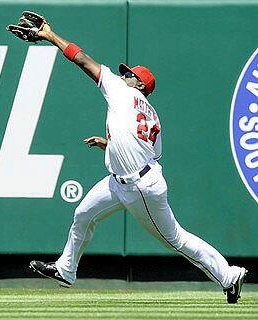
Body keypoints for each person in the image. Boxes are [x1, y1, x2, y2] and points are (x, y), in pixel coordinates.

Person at [24, 16, 248, 304]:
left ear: (140, 84)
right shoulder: (150, 113)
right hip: (122, 180)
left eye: (130, 74)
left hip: (139, 187)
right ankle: (66, 270)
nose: (124, 75)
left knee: (176, 239)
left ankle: (229, 276)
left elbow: (81, 59)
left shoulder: (122, 91)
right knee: (83, 214)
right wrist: (109, 143)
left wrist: (51, 36)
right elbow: (150, 152)